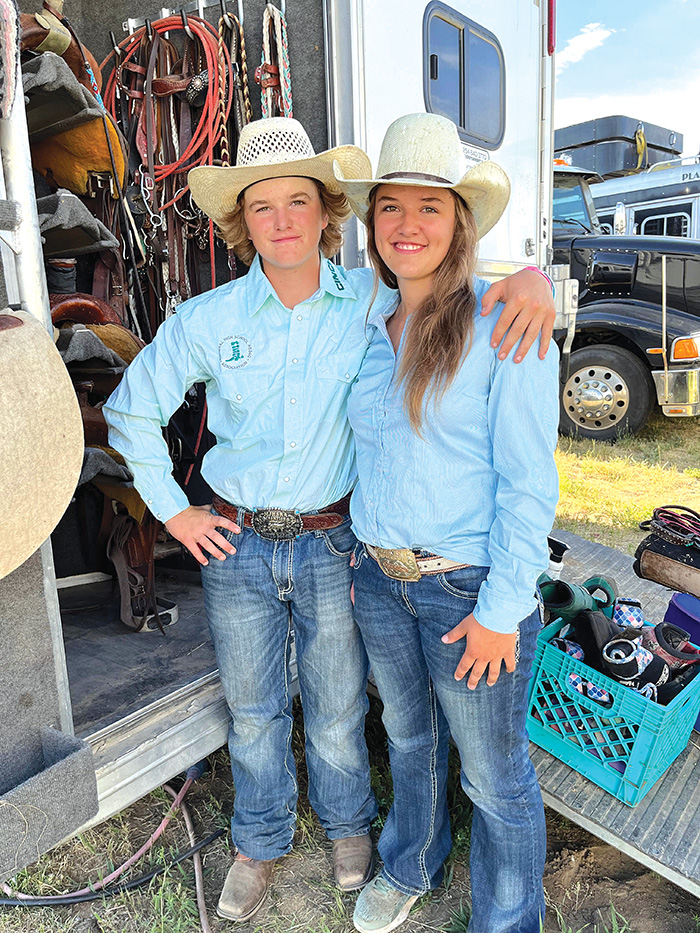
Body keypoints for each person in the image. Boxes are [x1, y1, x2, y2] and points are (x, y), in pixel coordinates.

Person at [103, 116, 556, 924]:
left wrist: (533, 275)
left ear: (326, 215)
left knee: (351, 709)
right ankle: (265, 840)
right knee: (263, 707)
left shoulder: (379, 307)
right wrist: (174, 513)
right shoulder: (231, 320)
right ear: (242, 221)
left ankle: (362, 837)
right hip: (265, 547)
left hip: (347, 547)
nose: (283, 219)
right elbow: (129, 412)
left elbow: (459, 294)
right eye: (263, 205)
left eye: (299, 201)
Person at [335, 113, 559, 933]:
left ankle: (507, 922)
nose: (407, 224)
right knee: (409, 740)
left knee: (494, 775)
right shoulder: (366, 323)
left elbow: (531, 486)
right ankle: (411, 862)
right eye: (389, 207)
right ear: (371, 225)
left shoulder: (508, 327)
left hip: (466, 590)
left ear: (460, 223)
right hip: (378, 580)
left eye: (429, 207)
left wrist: (502, 612)